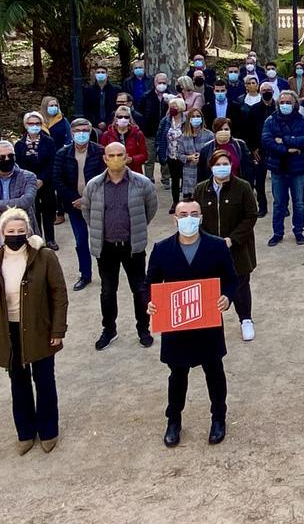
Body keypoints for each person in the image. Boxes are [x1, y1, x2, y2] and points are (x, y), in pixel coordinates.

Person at [146, 200, 239, 448]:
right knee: (177, 376)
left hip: (208, 324)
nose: (189, 218)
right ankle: (173, 421)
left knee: (214, 372)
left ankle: (218, 418)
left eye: (194, 214)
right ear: (175, 219)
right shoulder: (162, 249)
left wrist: (227, 297)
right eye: (183, 214)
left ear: (201, 218)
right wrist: (149, 302)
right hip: (177, 325)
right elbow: (149, 284)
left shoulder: (217, 247)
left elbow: (232, 279)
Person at [0, 207, 67, 454]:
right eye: (11, 231)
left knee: (44, 380)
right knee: (18, 382)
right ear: (1, 233)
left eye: (20, 230)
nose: (16, 235)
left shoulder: (44, 257)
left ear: (27, 231)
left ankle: (48, 431)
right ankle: (25, 432)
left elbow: (59, 294)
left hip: (40, 329)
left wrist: (58, 330)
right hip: (8, 332)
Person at [83, 141, 159, 350]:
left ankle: (143, 329)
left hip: (132, 246)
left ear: (126, 157)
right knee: (108, 291)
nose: (116, 159)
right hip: (106, 247)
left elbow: (150, 209)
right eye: (111, 155)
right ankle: (109, 329)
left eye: (120, 155)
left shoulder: (142, 183)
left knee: (139, 289)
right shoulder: (94, 185)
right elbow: (88, 213)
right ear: (105, 159)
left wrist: (137, 228)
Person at [193, 150, 259, 342]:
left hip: (238, 247)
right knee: (210, 284)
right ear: (211, 167)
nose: (222, 168)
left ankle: (245, 319)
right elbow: (195, 217)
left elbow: (251, 215)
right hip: (209, 248)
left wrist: (232, 239)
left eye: (225, 164)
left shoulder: (243, 187)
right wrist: (207, 240)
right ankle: (210, 322)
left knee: (240, 284)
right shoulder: (200, 189)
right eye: (218, 164)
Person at [52, 118, 104, 292]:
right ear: (72, 133)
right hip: (74, 206)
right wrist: (75, 199)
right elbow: (57, 180)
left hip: (96, 204)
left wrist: (86, 199)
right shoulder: (62, 154)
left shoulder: (100, 151)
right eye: (77, 131)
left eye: (85, 130)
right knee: (81, 241)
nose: (81, 134)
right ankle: (85, 274)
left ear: (90, 132)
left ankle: (105, 273)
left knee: (101, 240)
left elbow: (104, 179)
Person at [262, 90, 304, 247]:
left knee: (299, 203)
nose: (285, 105)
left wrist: (284, 139)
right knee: (279, 204)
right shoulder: (271, 120)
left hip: (298, 168)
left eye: (288, 102)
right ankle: (277, 233)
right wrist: (287, 150)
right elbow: (267, 141)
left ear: (295, 104)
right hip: (278, 168)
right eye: (282, 102)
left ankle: (298, 231)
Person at [15, 111, 59, 250]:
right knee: (33, 212)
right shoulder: (19, 144)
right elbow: (19, 165)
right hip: (28, 184)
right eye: (31, 123)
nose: (34, 126)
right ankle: (37, 239)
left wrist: (42, 179)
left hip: (46, 183)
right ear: (25, 125)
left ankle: (50, 239)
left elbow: (52, 162)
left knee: (48, 211)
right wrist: (31, 181)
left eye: (37, 123)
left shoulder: (49, 142)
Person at [243, 83, 277, 217]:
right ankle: (262, 206)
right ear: (260, 92)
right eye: (264, 90)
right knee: (259, 181)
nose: (266, 92)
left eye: (269, 90)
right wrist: (253, 149)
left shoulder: (278, 107)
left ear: (273, 91)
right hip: (259, 150)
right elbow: (249, 130)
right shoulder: (254, 109)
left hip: (276, 149)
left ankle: (282, 205)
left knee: (278, 180)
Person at [195, 117, 251, 185]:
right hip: (214, 187)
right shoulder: (206, 148)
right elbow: (201, 173)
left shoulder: (240, 145)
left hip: (237, 186)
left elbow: (248, 169)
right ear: (215, 131)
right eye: (220, 129)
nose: (223, 131)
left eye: (226, 129)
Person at [174, 108, 213, 204]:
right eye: (193, 116)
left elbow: (214, 153)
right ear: (189, 120)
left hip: (204, 173)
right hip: (189, 174)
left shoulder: (209, 135)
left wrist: (202, 157)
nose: (196, 118)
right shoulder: (183, 137)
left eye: (198, 116)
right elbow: (178, 154)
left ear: (202, 119)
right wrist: (189, 157)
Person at [81, 65, 120, 130]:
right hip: (94, 125)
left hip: (112, 124)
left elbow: (116, 108)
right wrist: (97, 122)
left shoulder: (116, 90)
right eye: (98, 72)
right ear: (95, 75)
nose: (100, 74)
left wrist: (107, 122)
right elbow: (87, 109)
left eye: (103, 72)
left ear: (107, 75)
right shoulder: (89, 91)